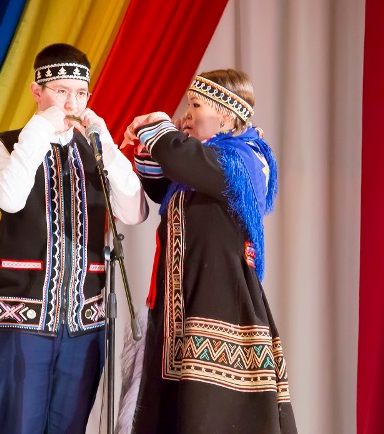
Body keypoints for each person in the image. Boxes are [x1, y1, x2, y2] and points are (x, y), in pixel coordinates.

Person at [0, 43, 149, 433]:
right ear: (37, 91)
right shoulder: (5, 144)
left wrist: (106, 144)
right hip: (23, 318)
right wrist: (40, 128)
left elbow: (134, 211)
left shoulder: (96, 151)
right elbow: (10, 197)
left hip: (84, 323)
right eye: (61, 91)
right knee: (17, 426)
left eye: (80, 93)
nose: (71, 103)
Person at [121, 69, 298, 433]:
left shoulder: (246, 158)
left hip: (221, 306)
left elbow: (184, 160)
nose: (186, 115)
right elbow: (163, 181)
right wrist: (150, 140)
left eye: (195, 105)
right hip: (184, 308)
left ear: (226, 114)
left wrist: (159, 128)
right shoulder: (201, 166)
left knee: (213, 414)